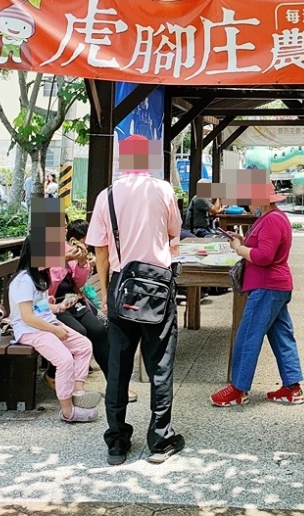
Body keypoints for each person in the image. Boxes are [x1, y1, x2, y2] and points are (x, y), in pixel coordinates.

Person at [87, 135, 184, 466]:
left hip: (120, 286)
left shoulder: (107, 196)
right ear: (148, 160)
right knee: (160, 365)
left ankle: (116, 443)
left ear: (121, 162)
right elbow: (174, 234)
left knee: (118, 367)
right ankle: (159, 440)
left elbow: (100, 249)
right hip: (157, 286)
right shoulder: (163, 190)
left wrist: (104, 292)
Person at [210, 183, 304, 407]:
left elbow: (264, 257)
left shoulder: (271, 219)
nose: (248, 203)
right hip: (276, 286)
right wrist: (242, 242)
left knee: (247, 336)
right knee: (282, 336)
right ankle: (292, 387)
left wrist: (238, 248)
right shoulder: (275, 217)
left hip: (266, 286)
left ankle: (238, 389)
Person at [8, 236, 101, 422]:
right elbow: (28, 317)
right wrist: (55, 330)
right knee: (65, 360)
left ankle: (77, 392)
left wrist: (59, 307)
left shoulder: (39, 276)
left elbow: (39, 307)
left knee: (83, 345)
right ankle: (68, 412)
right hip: (30, 330)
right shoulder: (23, 281)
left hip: (45, 324)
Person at [44, 220, 129, 400]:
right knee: (80, 332)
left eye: (64, 226)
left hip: (72, 301)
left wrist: (82, 263)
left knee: (98, 330)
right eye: (60, 226)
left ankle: (115, 386)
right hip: (50, 305)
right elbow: (48, 285)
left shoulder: (67, 247)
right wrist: (63, 260)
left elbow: (79, 284)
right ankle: (54, 375)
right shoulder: (41, 250)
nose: (63, 230)